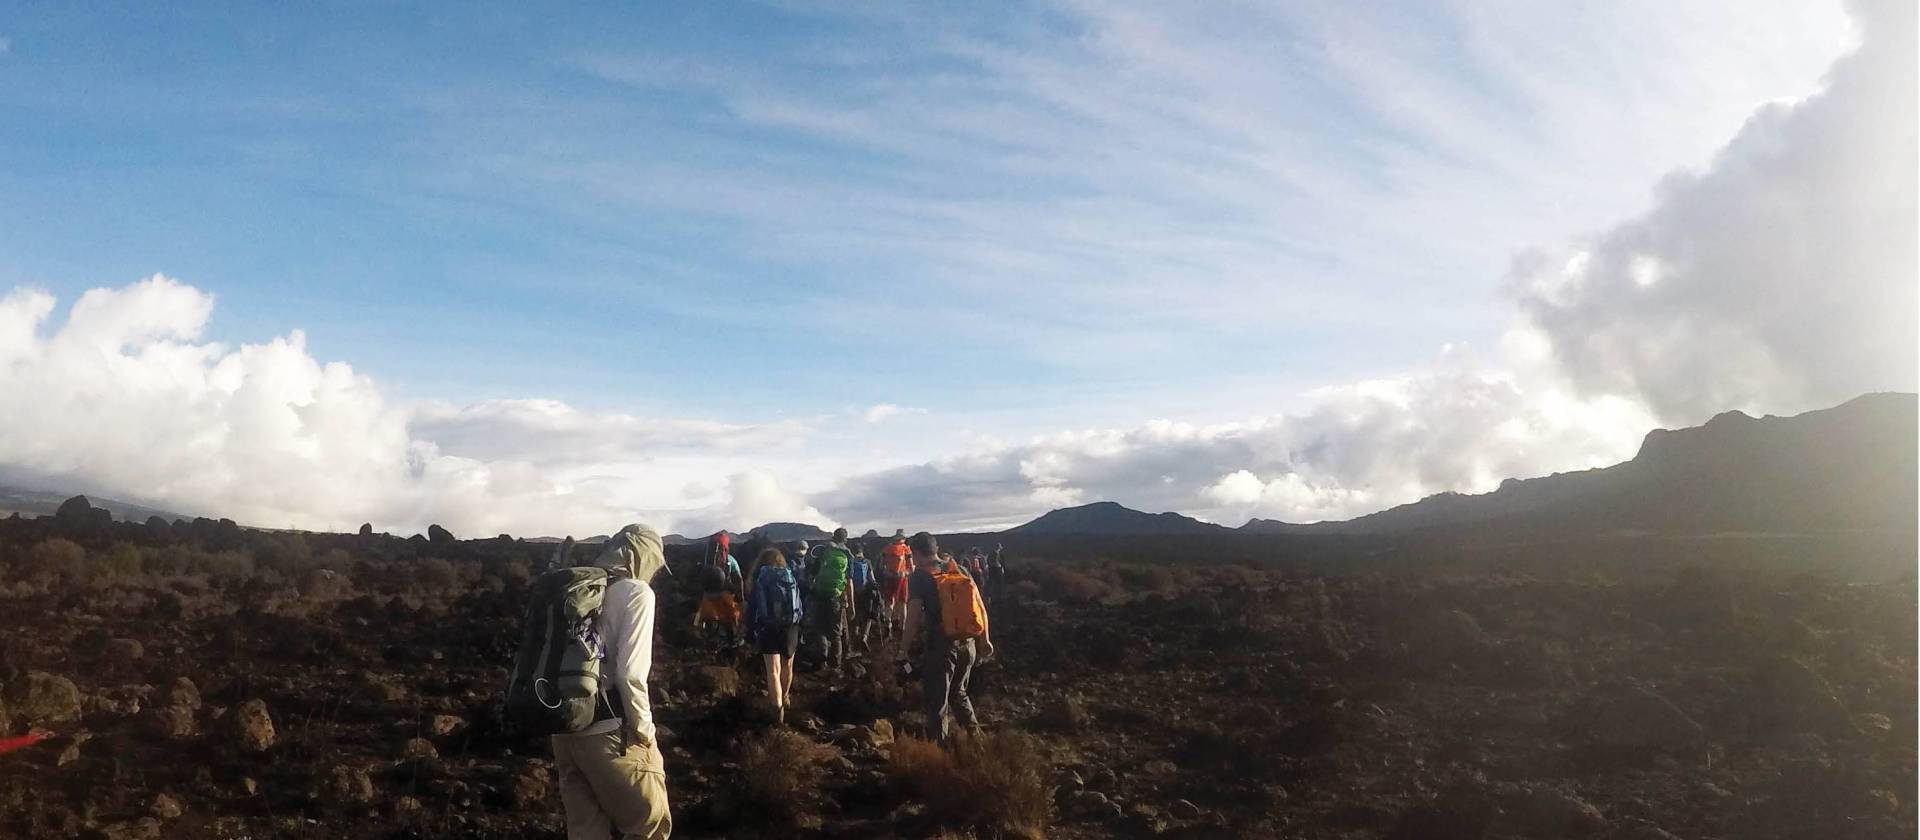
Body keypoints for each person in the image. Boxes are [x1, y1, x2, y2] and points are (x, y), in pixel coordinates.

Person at [550, 524, 673, 839]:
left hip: (564, 730)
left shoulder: (578, 588)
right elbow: (630, 673)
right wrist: (645, 733)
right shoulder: (636, 592)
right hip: (611, 733)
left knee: (587, 833)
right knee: (649, 827)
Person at [901, 531, 995, 746]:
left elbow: (913, 616)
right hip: (968, 643)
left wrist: (903, 649)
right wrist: (985, 640)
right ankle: (978, 743)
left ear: (916, 553)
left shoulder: (920, 577)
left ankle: (939, 753)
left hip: (942, 647)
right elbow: (979, 606)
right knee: (959, 693)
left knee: (937, 702)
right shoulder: (958, 569)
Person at [745, 547, 803, 723]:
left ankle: (777, 713)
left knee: (773, 671)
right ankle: (784, 698)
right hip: (790, 627)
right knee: (788, 666)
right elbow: (800, 605)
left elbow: (752, 608)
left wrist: (750, 630)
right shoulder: (789, 576)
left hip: (767, 628)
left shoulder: (760, 579)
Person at [809, 528, 853, 675]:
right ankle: (836, 666)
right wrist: (851, 603)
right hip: (836, 597)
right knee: (836, 632)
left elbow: (813, 570)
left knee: (820, 628)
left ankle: (822, 662)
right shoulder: (848, 555)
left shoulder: (824, 551)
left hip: (820, 594)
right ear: (845, 540)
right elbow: (849, 582)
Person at [693, 548, 743, 649]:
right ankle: (732, 640)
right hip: (725, 591)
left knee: (709, 616)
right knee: (729, 616)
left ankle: (709, 640)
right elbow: (739, 578)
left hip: (708, 593)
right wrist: (741, 596)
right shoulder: (730, 559)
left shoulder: (707, 559)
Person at [878, 533, 911, 637]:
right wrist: (908, 573)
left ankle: (888, 623)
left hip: (889, 577)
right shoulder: (906, 549)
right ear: (903, 539)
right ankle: (902, 626)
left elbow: (881, 565)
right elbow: (911, 565)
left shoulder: (887, 549)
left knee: (889, 601)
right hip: (902, 577)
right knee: (902, 602)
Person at [848, 545, 879, 651]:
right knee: (868, 616)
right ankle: (864, 636)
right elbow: (872, 578)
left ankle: (855, 635)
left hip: (854, 592)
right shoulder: (867, 562)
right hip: (866, 592)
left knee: (856, 614)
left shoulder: (850, 561)